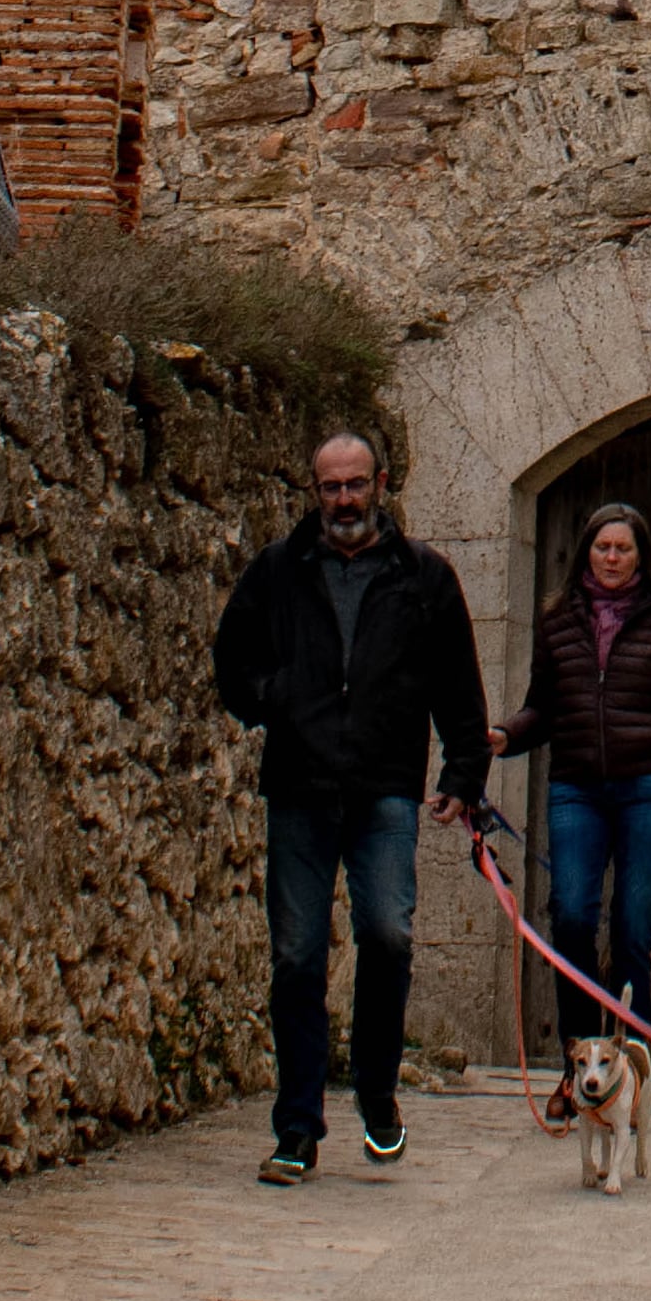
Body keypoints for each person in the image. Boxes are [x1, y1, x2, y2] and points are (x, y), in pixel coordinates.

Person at [211, 431, 488, 1186]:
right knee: (297, 955)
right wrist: (280, 700)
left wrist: (464, 770)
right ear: (315, 490)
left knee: (387, 935)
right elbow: (232, 659)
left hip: (385, 789)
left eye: (355, 484)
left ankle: (376, 1092)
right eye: (330, 486)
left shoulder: (424, 577)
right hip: (299, 787)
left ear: (382, 482)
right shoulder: (278, 569)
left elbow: (458, 684)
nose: (343, 499)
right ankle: (297, 1126)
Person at [486, 501, 651, 1088]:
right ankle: (578, 1063)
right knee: (570, 915)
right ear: (586, 553)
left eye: (623, 548)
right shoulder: (557, 623)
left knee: (633, 926)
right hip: (577, 788)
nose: (613, 557)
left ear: (641, 555)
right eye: (603, 547)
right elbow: (543, 707)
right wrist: (503, 735)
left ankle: (630, 1068)